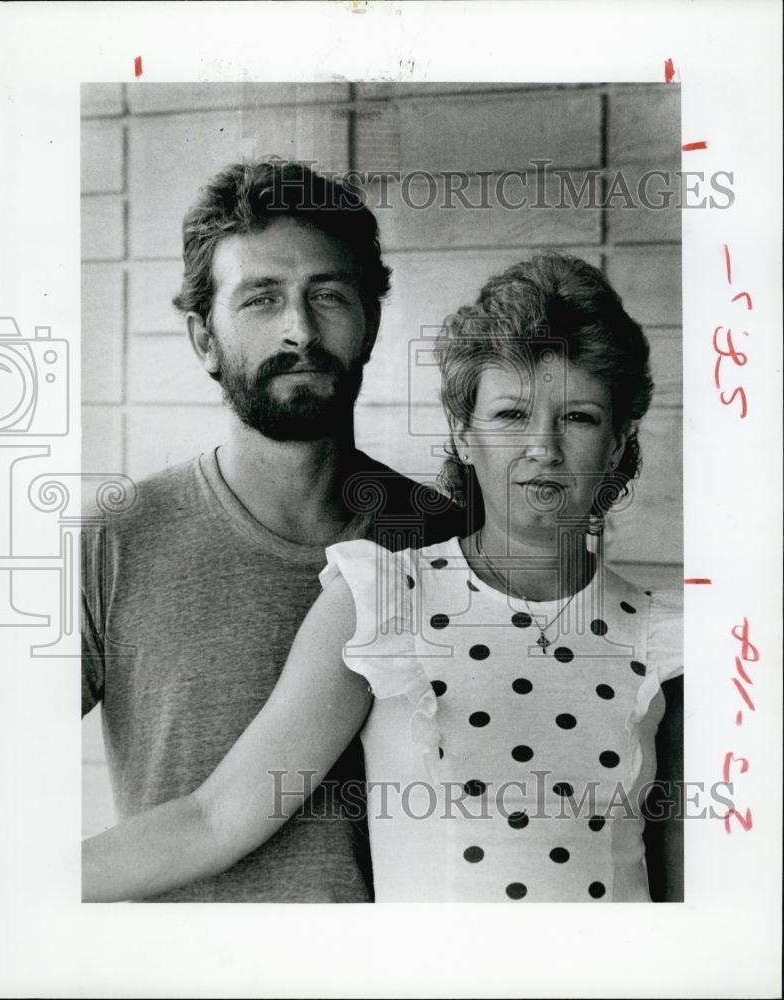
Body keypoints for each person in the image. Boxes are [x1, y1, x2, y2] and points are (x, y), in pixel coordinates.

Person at [83, 252, 683, 903]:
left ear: (618, 443)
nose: (543, 447)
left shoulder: (666, 637)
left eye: (578, 417)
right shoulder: (381, 598)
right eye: (510, 415)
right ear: (462, 434)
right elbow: (216, 818)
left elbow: (691, 894)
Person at [81, 159, 464, 902]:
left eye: (327, 294)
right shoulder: (112, 541)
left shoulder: (446, 536)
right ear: (203, 339)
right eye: (261, 299)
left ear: (371, 322)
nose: (299, 329)